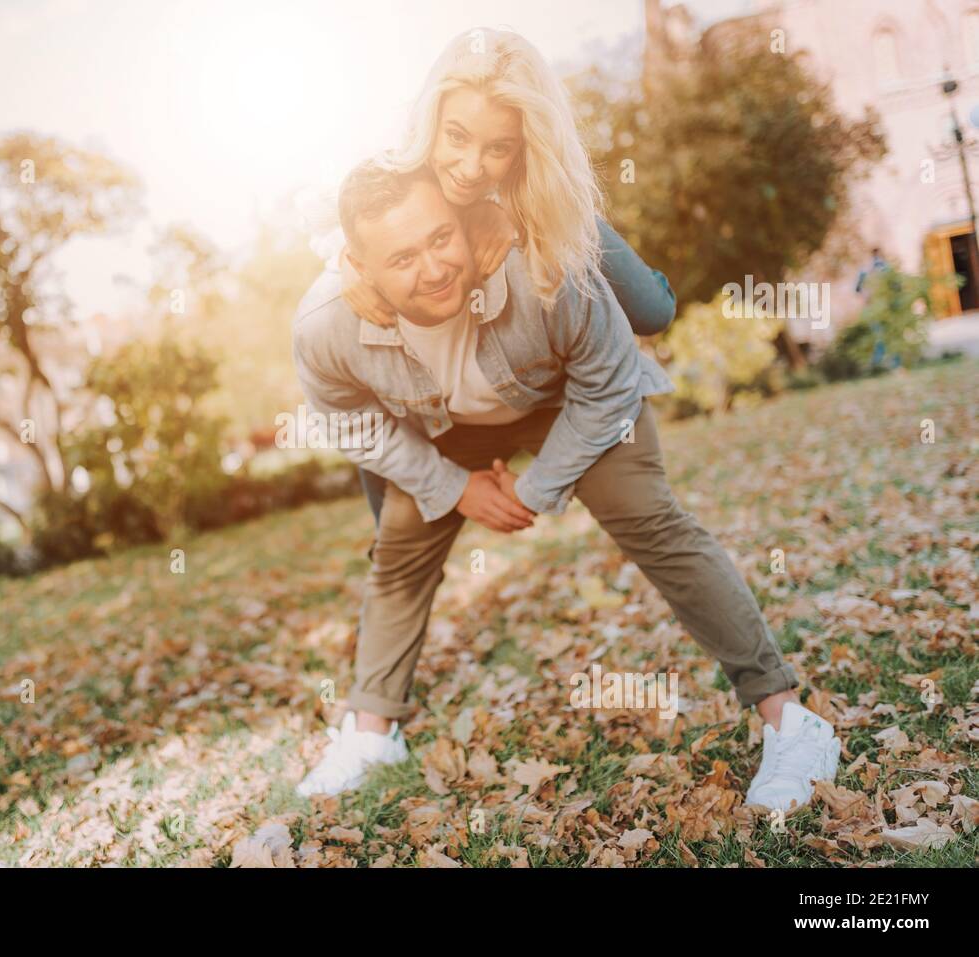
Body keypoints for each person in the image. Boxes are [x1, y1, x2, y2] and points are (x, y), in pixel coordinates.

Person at [289, 33, 841, 815]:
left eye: (443, 236)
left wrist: (540, 485)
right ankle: (370, 729)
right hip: (450, 424)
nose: (469, 164)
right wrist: (452, 487)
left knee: (645, 493)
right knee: (401, 539)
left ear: (516, 160)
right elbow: (350, 421)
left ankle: (790, 718)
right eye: (455, 137)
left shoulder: (547, 241)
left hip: (563, 395)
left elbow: (610, 382)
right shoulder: (331, 308)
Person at [302, 28, 676, 525]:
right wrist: (347, 260)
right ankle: (385, 540)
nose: (470, 167)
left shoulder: (528, 172)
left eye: (497, 147)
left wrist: (508, 210)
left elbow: (521, 195)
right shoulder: (400, 151)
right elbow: (322, 214)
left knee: (653, 313)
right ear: (431, 120)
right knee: (382, 392)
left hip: (538, 206)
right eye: (456, 137)